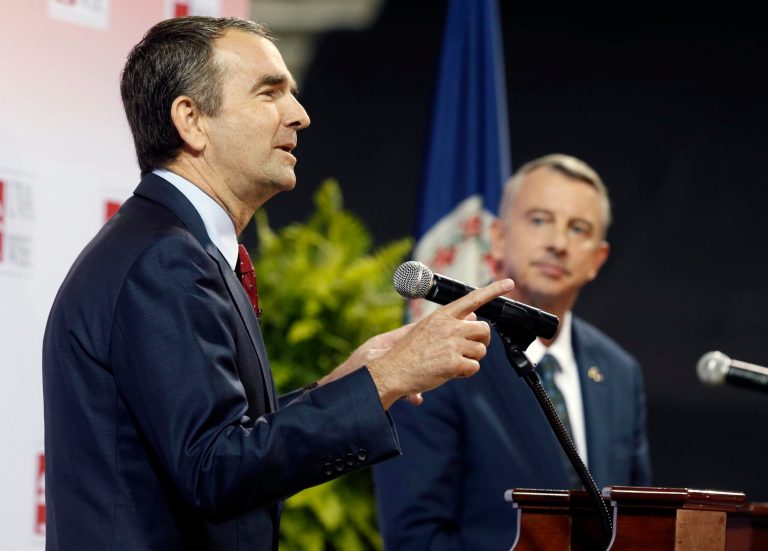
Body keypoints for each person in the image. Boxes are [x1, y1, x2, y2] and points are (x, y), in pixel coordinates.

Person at [41, 16, 515, 551]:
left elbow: (223, 443)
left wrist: (343, 385)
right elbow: (216, 471)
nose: (301, 114)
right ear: (191, 120)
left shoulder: (171, 245)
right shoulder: (164, 260)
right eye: (270, 93)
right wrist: (387, 377)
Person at [374, 154, 652, 550]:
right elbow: (415, 537)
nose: (557, 243)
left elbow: (639, 524)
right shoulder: (436, 358)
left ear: (597, 259)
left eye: (578, 228)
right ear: (500, 236)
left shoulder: (621, 373)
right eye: (539, 220)